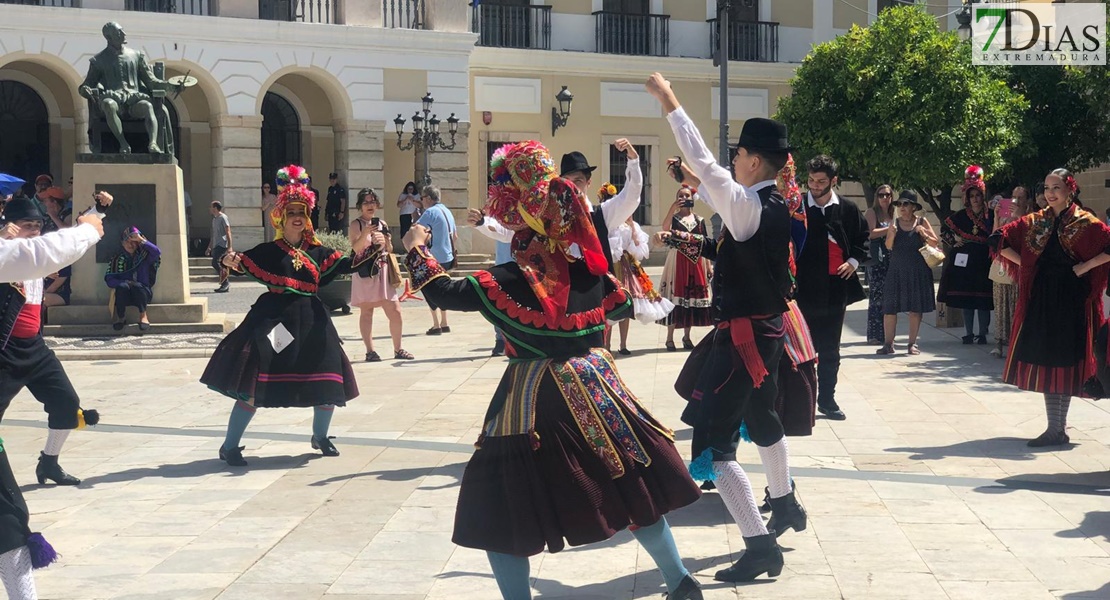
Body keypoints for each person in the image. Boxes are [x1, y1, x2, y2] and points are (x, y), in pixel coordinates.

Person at [403, 140, 703, 600]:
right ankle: (680, 580)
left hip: (532, 400)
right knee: (630, 486)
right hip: (599, 388)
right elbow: (622, 306)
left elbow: (441, 291)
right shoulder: (594, 277)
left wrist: (416, 248)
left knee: (500, 506)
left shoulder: (509, 281)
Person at [649, 71, 799, 583]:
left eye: (738, 155)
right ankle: (785, 503)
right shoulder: (768, 204)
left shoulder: (748, 203)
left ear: (754, 160)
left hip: (744, 339)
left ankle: (759, 547)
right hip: (765, 331)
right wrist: (700, 243)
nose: (731, 161)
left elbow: (708, 169)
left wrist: (670, 101)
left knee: (714, 445)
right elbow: (743, 249)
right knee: (762, 417)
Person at [201, 165, 385, 466]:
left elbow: (350, 264)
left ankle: (320, 436)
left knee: (327, 381)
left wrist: (373, 248)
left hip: (313, 323)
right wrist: (225, 257)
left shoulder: (320, 251)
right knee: (254, 384)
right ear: (281, 217)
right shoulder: (269, 251)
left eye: (301, 212)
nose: (297, 217)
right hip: (274, 322)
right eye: (291, 212)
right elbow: (234, 261)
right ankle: (229, 446)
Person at [996, 169, 1110, 446]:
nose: (1050, 193)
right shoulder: (1036, 221)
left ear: (1070, 190)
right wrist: (1027, 266)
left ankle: (1057, 429)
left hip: (1072, 299)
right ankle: (1054, 428)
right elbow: (998, 240)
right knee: (1046, 361)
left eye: (1056, 187)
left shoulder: (1086, 222)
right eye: (1046, 187)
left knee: (1065, 362)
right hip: (1043, 298)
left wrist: (1085, 265)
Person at [0, 196, 101, 487]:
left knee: (67, 404)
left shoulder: (33, 256)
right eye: (26, 225)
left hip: (35, 348)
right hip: (5, 352)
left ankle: (49, 462)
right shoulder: (9, 251)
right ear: (11, 227)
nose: (33, 231)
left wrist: (96, 215)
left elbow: (55, 252)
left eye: (37, 225)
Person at [794, 155, 867, 422]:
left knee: (829, 349)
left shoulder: (847, 209)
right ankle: (799, 401)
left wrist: (853, 261)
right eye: (811, 180)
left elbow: (862, 239)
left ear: (833, 181)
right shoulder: (796, 207)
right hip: (801, 290)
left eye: (821, 181)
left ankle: (826, 399)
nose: (814, 185)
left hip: (835, 289)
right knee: (799, 349)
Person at [78, 21, 177, 154]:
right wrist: (85, 90)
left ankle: (153, 144)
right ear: (109, 37)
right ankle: (123, 143)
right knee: (108, 104)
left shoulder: (136, 55)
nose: (124, 34)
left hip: (134, 100)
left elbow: (151, 82)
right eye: (119, 32)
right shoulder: (98, 60)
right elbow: (87, 84)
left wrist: (171, 85)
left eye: (122, 30)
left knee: (147, 107)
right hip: (114, 99)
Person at [349, 188, 413, 362]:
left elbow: (389, 249)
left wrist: (386, 241)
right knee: (367, 312)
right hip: (366, 273)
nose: (370, 205)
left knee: (395, 310)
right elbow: (355, 249)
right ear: (360, 206)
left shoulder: (382, 224)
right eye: (366, 202)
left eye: (372, 202)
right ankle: (370, 351)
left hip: (383, 271)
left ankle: (398, 349)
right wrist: (365, 234)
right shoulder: (356, 224)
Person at [605, 202, 673, 354]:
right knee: (609, 305)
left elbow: (640, 249)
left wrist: (633, 229)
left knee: (626, 304)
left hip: (626, 265)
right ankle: (606, 345)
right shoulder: (611, 223)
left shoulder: (632, 225)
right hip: (612, 264)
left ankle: (623, 345)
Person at [938, 165, 994, 345]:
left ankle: (982, 333)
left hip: (985, 260)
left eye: (978, 195)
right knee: (968, 299)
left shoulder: (991, 215)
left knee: (983, 299)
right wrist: (954, 242)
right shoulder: (961, 216)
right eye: (972, 196)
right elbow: (944, 230)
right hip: (966, 261)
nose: (975, 199)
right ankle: (969, 333)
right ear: (967, 198)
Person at [878, 191, 938, 355]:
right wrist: (891, 234)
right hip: (896, 270)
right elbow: (889, 246)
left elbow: (935, 241)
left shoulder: (921, 221)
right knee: (889, 308)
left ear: (913, 207)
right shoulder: (894, 223)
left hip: (918, 270)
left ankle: (912, 344)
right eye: (899, 204)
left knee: (915, 309)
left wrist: (923, 233)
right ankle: (888, 344)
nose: (902, 208)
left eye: (906, 204)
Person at [656, 184, 714, 351]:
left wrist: (708, 265)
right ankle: (669, 338)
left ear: (692, 198)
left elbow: (705, 243)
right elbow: (665, 229)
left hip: (696, 261)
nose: (684, 199)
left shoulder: (699, 220)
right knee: (676, 297)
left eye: (687, 196)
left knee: (690, 299)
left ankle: (687, 337)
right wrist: (672, 208)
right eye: (681, 196)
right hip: (678, 260)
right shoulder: (674, 219)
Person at [467, 207, 515, 357]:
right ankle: (500, 340)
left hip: (520, 267)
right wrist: (482, 222)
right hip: (503, 266)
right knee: (499, 303)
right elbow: (498, 230)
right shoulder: (499, 215)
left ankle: (511, 340)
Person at [990, 187, 1031, 358]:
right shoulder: (1006, 215)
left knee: (1016, 305)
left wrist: (1020, 216)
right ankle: (999, 342)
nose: (1016, 201)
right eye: (1013, 197)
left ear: (1027, 201)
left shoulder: (1031, 217)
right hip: (1002, 266)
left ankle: (1016, 342)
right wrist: (997, 218)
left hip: (1020, 266)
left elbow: (1030, 239)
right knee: (1000, 304)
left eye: (1020, 198)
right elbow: (994, 238)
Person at [415, 185, 457, 335]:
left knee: (430, 290)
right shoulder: (447, 211)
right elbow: (455, 236)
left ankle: (436, 325)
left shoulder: (430, 212)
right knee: (442, 288)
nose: (421, 201)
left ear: (428, 198)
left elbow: (416, 231)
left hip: (434, 257)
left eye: (422, 198)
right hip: (447, 256)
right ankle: (444, 322)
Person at [104, 227, 160, 331]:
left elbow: (156, 252)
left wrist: (142, 240)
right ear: (122, 243)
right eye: (127, 242)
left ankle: (143, 316)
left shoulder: (144, 256)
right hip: (125, 294)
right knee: (121, 287)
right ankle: (121, 318)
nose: (130, 245)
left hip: (142, 293)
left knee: (138, 286)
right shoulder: (117, 259)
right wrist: (125, 282)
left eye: (134, 242)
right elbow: (109, 280)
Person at [865, 185, 895, 344]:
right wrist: (889, 230)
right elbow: (869, 233)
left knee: (889, 296)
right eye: (881, 195)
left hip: (892, 257)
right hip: (877, 258)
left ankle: (887, 333)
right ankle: (874, 334)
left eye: (888, 195)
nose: (885, 198)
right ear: (877, 197)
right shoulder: (872, 212)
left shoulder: (894, 213)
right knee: (876, 295)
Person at [206, 201, 232, 293]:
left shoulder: (223, 218)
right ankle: (224, 283)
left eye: (211, 207)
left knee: (216, 263)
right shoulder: (214, 219)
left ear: (215, 208)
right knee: (217, 263)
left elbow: (228, 231)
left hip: (222, 244)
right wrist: (209, 247)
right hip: (216, 244)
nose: (209, 208)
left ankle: (225, 282)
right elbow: (214, 234)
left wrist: (229, 247)